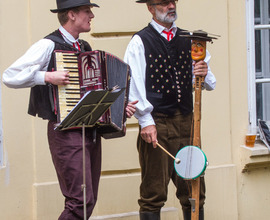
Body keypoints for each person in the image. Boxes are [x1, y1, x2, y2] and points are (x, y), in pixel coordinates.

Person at [2, 0, 137, 219]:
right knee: (79, 200)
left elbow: (94, 91)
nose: (91, 15)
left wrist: (119, 107)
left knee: (88, 200)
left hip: (89, 130)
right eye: (87, 11)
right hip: (65, 131)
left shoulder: (84, 48)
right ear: (72, 15)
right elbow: (9, 76)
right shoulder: (48, 45)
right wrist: (46, 76)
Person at [124, 0, 216, 219]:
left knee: (194, 189)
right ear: (150, 8)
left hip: (188, 121)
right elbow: (133, 85)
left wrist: (202, 71)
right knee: (153, 191)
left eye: (172, 1)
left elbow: (208, 82)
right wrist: (145, 121)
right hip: (158, 122)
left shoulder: (191, 40)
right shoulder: (140, 41)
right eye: (164, 3)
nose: (171, 6)